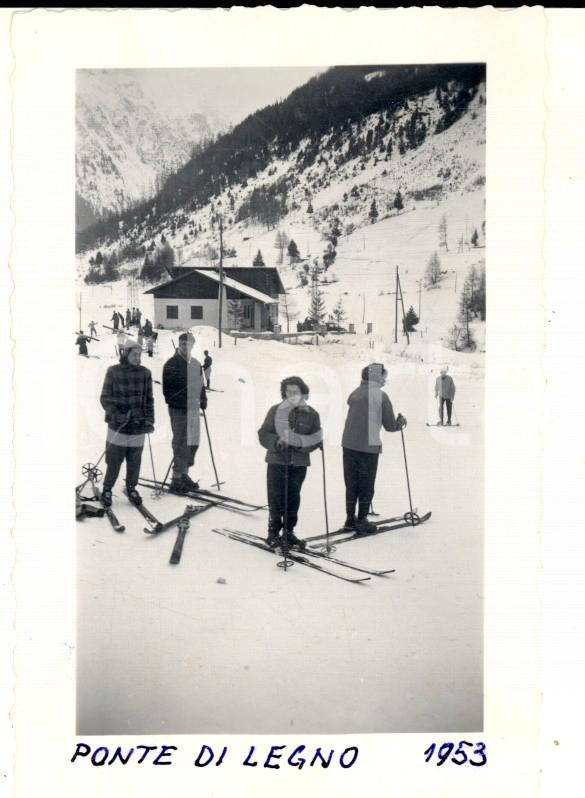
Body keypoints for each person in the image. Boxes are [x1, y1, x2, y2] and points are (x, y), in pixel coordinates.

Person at [341, 363, 406, 535]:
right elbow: (390, 426)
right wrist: (401, 422)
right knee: (366, 484)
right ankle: (361, 521)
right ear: (377, 377)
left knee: (351, 483)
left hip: (348, 444)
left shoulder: (355, 393)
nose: (385, 379)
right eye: (383, 376)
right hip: (368, 446)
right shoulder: (381, 396)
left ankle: (350, 519)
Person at [258, 376, 323, 550]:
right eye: (288, 392)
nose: (291, 395)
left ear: (302, 392)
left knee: (293, 498)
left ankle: (289, 532)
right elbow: (263, 433)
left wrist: (302, 443)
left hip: (299, 463)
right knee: (276, 497)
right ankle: (273, 533)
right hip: (277, 461)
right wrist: (277, 441)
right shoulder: (275, 411)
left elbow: (317, 437)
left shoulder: (312, 414)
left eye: (295, 391)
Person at [99, 339, 154, 507]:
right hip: (119, 425)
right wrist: (118, 416)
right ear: (126, 354)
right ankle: (107, 488)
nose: (138, 358)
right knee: (114, 459)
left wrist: (149, 420)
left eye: (140, 355)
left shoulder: (145, 373)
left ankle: (131, 487)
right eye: (135, 354)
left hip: (138, 425)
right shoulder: (113, 372)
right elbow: (105, 399)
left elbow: (149, 400)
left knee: (134, 459)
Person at [162, 332, 208, 494]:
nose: (186, 347)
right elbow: (168, 391)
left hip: (194, 408)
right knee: (181, 442)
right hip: (179, 409)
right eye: (183, 344)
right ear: (179, 345)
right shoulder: (171, 364)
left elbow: (201, 385)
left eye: (189, 344)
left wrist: (203, 399)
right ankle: (176, 478)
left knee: (194, 442)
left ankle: (184, 474)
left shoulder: (196, 363)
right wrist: (184, 402)